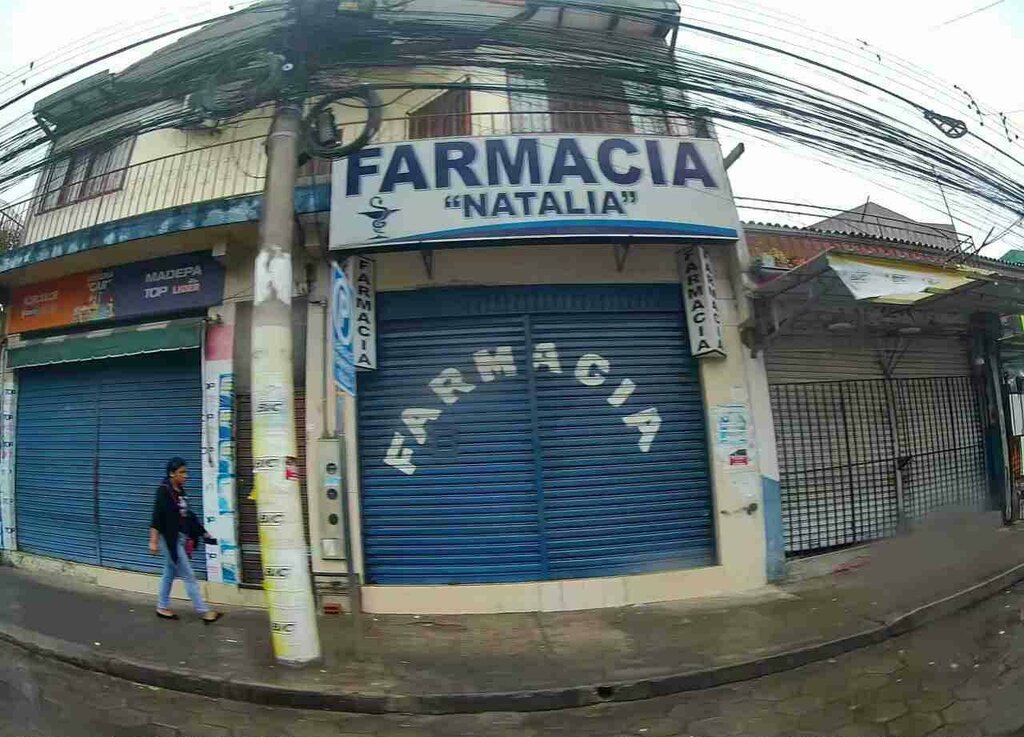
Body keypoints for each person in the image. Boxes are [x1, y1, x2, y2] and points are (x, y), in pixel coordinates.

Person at [148, 457, 222, 623]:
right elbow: (156, 518)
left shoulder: (180, 491)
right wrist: (153, 541)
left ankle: (161, 606)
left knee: (169, 573)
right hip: (170, 541)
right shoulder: (163, 491)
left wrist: (203, 532)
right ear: (171, 473)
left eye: (186, 472)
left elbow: (187, 515)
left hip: (180, 538)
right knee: (189, 575)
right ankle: (204, 611)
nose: (186, 475)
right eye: (182, 472)